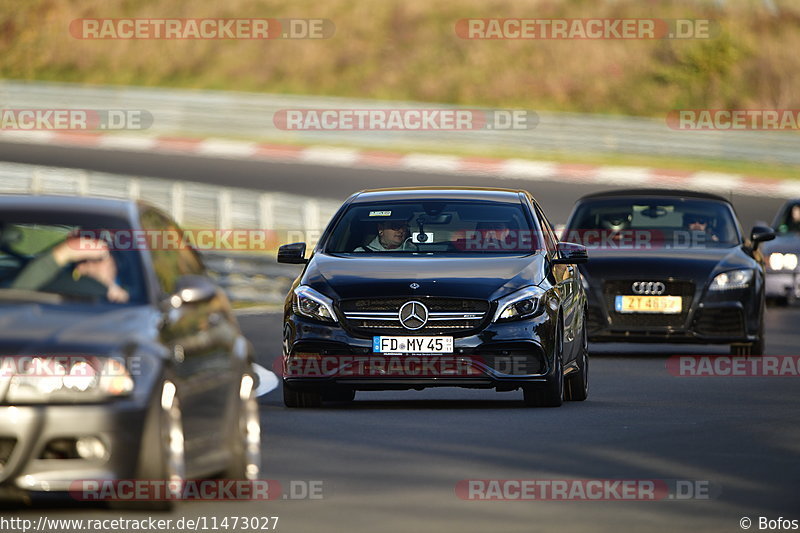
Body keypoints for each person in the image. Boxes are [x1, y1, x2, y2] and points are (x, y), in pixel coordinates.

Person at [11, 236, 129, 303]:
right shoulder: (59, 287)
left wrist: (65, 253)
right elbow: (13, 301)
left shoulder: (126, 302)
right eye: (83, 258)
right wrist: (65, 253)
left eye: (98, 257)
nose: (88, 262)